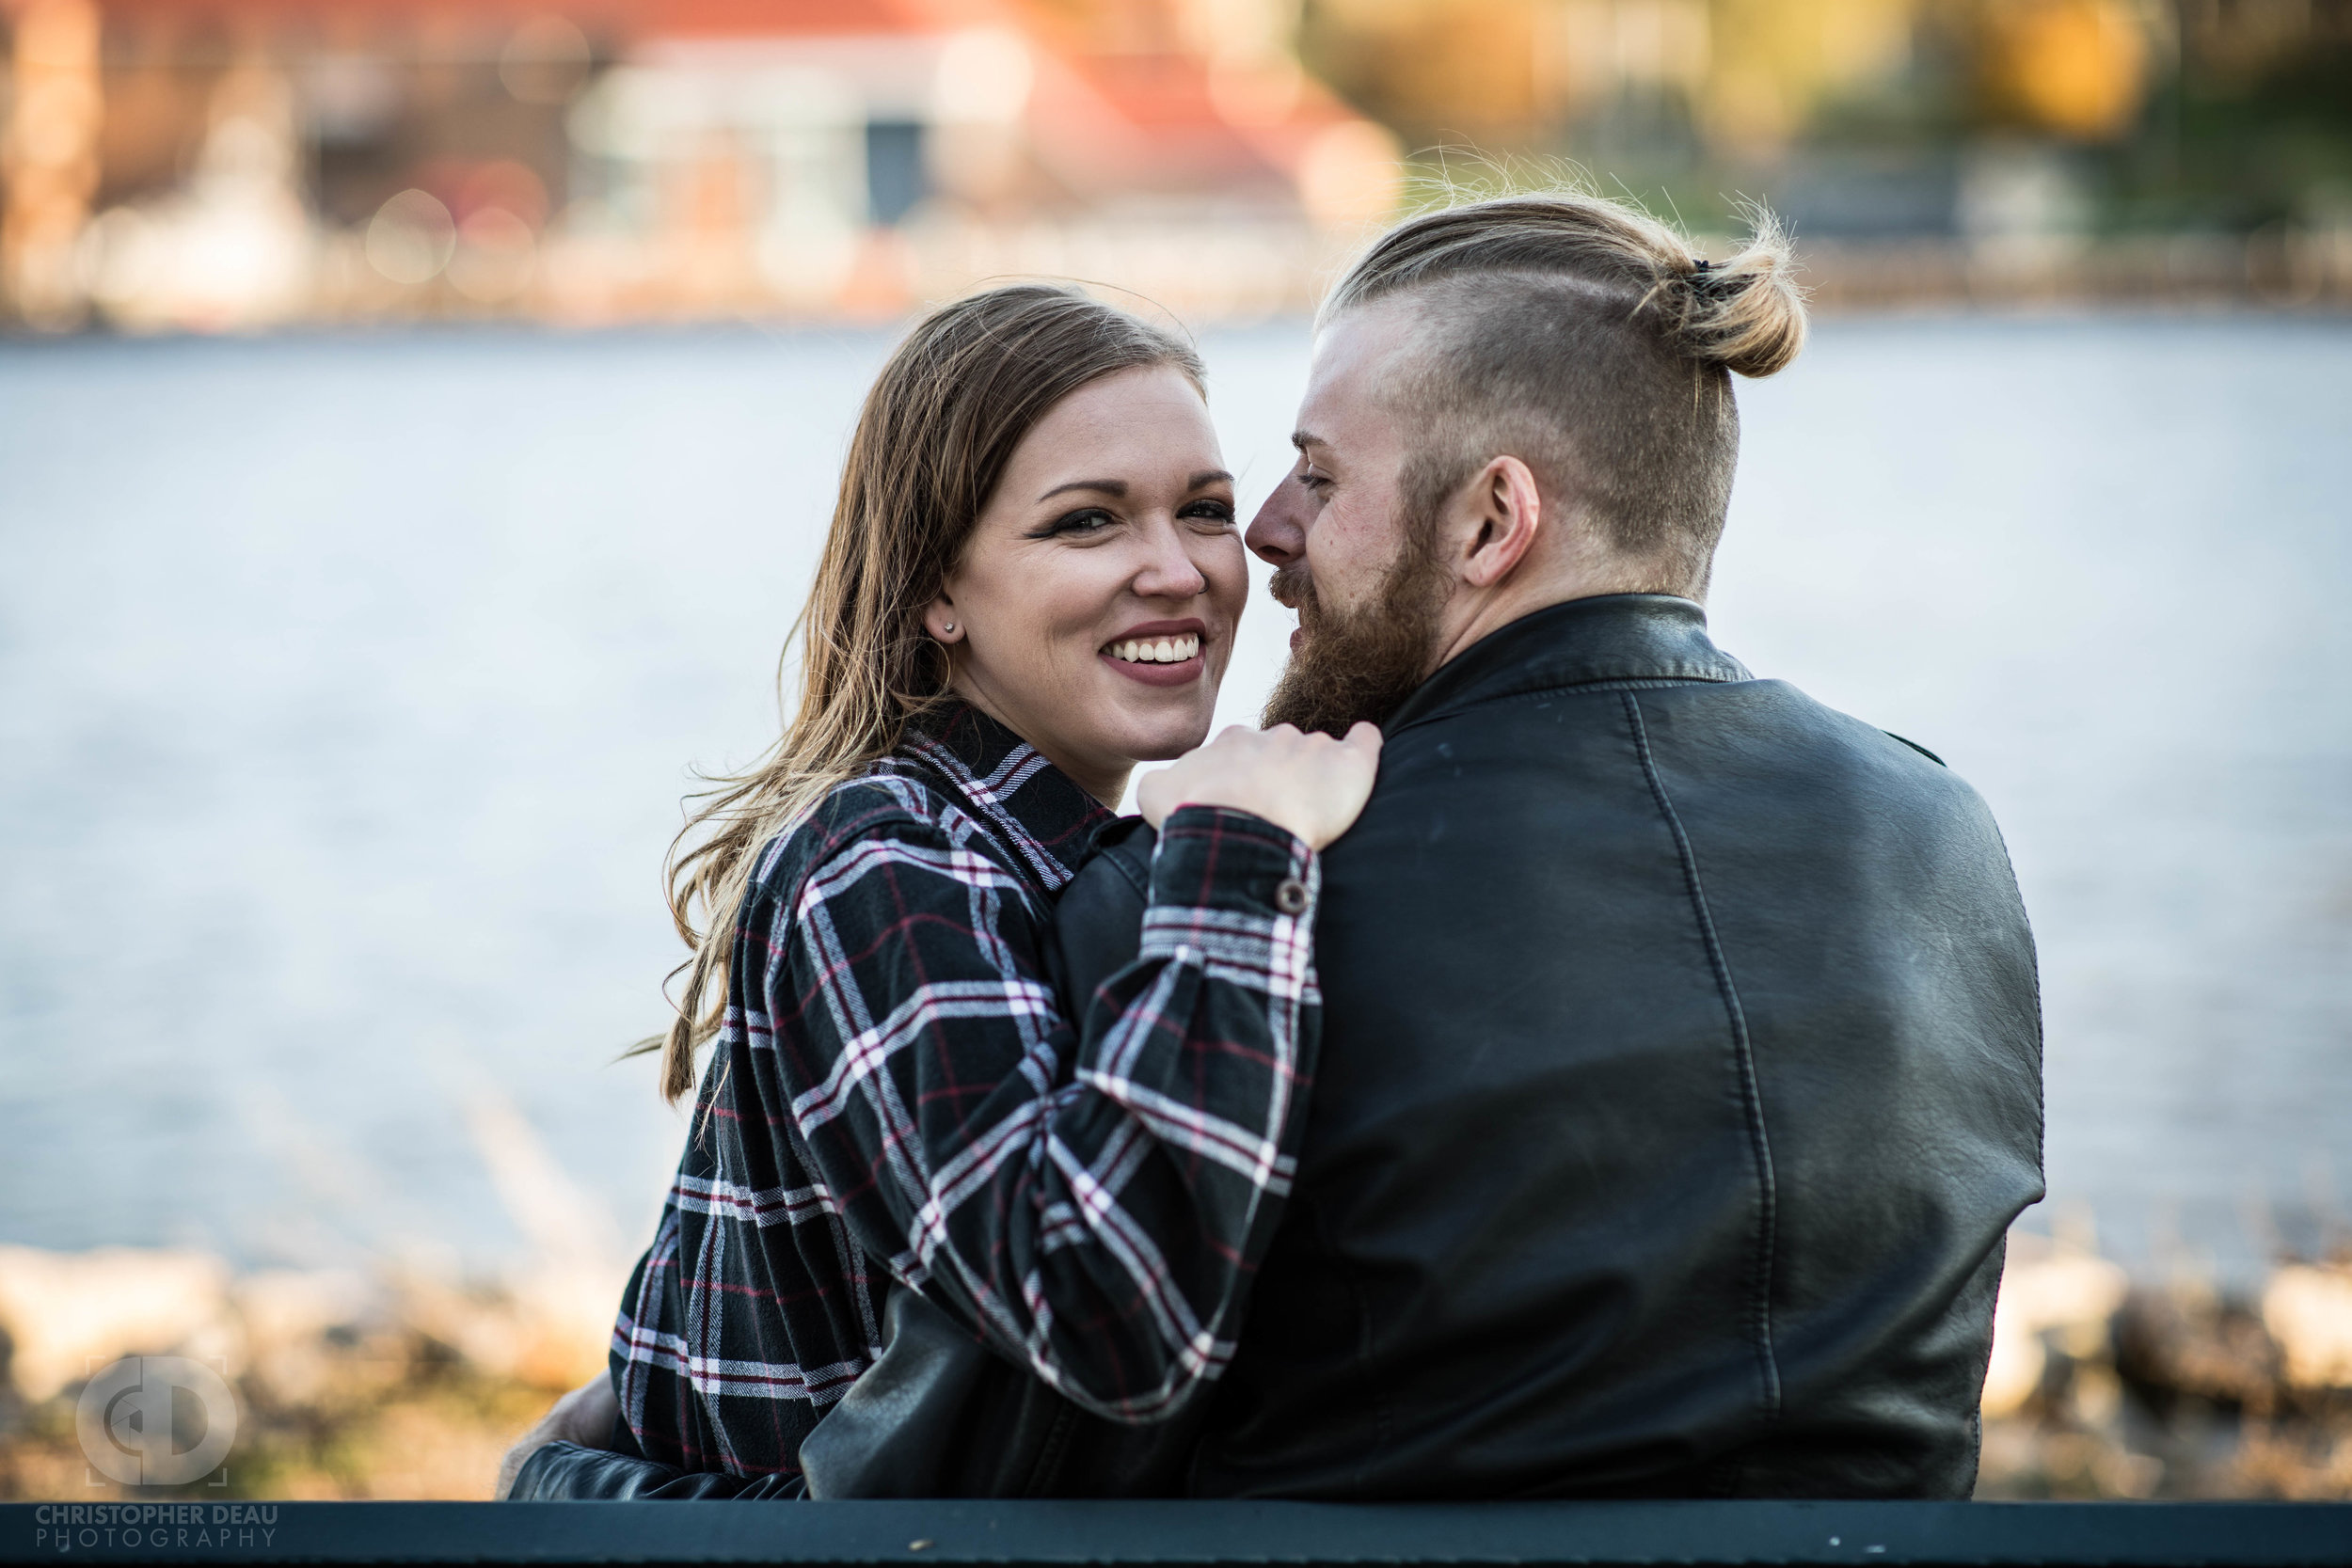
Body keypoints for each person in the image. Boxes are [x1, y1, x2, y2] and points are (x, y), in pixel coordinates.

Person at [1159, 190, 2045, 1497]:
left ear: (1489, 523)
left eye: (1321, 472)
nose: (1267, 528)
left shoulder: (1241, 905)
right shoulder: (1948, 844)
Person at [496, 283, 1379, 1498]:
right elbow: (1102, 1313)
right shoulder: (891, 859)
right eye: (1087, 523)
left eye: (1207, 510)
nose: (1176, 570)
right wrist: (1236, 859)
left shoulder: (1058, 857)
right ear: (938, 592)